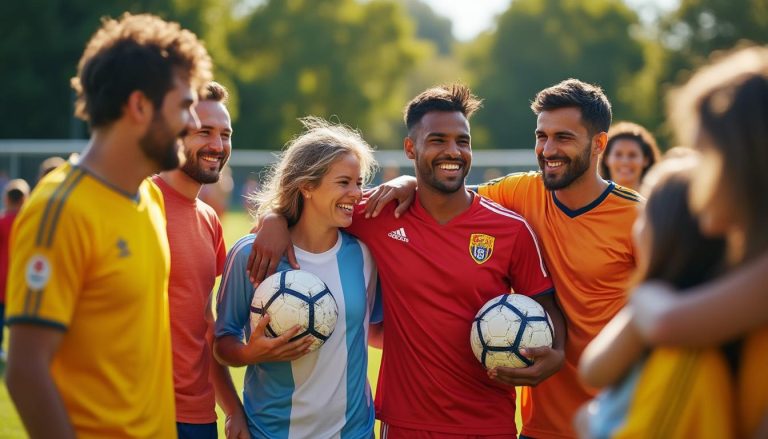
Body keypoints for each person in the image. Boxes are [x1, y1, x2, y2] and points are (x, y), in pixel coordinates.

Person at [249, 84, 566, 438]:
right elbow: (314, 205)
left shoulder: (509, 229)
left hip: (488, 422)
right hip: (405, 424)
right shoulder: (377, 212)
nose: (453, 151)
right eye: (438, 140)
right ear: (410, 148)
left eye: (463, 141)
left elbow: (544, 304)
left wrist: (558, 352)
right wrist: (274, 218)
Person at [362, 79, 640, 438]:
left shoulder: (639, 219)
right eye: (542, 136)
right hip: (541, 426)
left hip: (617, 421)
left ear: (599, 143)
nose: (548, 148)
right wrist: (407, 181)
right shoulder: (519, 192)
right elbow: (448, 191)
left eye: (564, 137)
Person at [4, 13, 212, 438]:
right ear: (138, 106)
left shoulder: (150, 197)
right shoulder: (58, 210)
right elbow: (25, 370)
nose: (192, 124)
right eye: (185, 106)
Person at [627, 46, 768, 438]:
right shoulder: (735, 258)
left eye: (703, 155)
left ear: (743, 159)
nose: (692, 179)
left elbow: (669, 322)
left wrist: (644, 292)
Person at [214, 117, 381, 438]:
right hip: (272, 430)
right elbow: (222, 342)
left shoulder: (365, 255)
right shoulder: (252, 254)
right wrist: (249, 353)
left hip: (353, 432)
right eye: (344, 182)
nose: (356, 193)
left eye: (359, 183)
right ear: (306, 186)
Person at [576, 155, 735, 438]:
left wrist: (589, 422)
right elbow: (592, 371)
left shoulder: (682, 357)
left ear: (665, 236)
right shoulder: (653, 311)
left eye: (642, 218)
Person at [152, 81, 248, 439]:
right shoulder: (139, 205)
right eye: (203, 132)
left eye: (225, 134)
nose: (217, 145)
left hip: (198, 416)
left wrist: (233, 409)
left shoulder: (209, 219)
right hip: (145, 413)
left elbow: (203, 324)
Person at [0, 179, 30, 361]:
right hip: (19, 276)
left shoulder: (2, 221)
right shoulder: (27, 221)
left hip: (1, 275)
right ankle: (19, 349)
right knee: (18, 315)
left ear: (6, 199)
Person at [598, 121, 660, 191]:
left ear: (646, 160)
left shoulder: (659, 199)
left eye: (632, 155)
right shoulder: (590, 199)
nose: (625, 161)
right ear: (606, 159)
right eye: (618, 154)